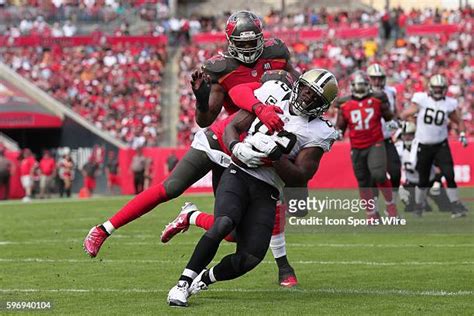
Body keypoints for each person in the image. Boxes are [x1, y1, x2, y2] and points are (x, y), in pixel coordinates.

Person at [85, 9, 300, 285]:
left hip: (245, 152)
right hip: (219, 140)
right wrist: (201, 98)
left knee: (233, 231)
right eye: (242, 43)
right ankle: (103, 229)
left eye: (252, 42)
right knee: (171, 187)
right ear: (230, 41)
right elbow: (205, 119)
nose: (248, 49)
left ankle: (192, 216)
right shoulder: (221, 68)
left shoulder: (277, 53)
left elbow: (296, 84)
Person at [167, 69, 339, 307]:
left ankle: (204, 278)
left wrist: (275, 156)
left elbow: (299, 177)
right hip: (239, 173)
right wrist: (236, 146)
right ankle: (182, 284)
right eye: (308, 90)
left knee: (251, 257)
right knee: (224, 223)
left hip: (268, 189)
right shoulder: (274, 95)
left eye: (315, 97)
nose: (308, 98)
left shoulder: (320, 130)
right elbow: (232, 127)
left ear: (323, 105)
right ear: (299, 85)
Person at [400, 74, 468, 217]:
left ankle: (455, 205)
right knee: (423, 179)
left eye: (440, 88)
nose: (438, 91)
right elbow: (406, 113)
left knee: (449, 174)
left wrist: (462, 134)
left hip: (441, 145)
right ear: (430, 88)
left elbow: (459, 120)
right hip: (423, 145)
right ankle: (419, 206)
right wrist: (408, 120)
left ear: (445, 89)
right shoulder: (422, 99)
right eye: (436, 88)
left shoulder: (448, 103)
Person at [336, 71, 398, 220]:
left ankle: (391, 207)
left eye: (363, 86)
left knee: (379, 174)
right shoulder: (344, 104)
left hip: (375, 143)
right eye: (358, 86)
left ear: (368, 86)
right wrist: (335, 134)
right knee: (363, 181)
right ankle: (371, 214)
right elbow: (340, 128)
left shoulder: (377, 99)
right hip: (356, 146)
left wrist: (393, 127)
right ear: (352, 87)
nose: (360, 89)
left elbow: (389, 118)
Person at [396, 122, 452, 213]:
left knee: (445, 207)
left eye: (410, 135)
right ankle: (423, 205)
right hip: (412, 183)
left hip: (430, 181)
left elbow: (439, 165)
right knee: (406, 199)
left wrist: (437, 180)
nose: (407, 137)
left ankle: (429, 202)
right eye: (405, 135)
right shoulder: (398, 148)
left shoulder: (423, 146)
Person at [367, 63, 401, 201]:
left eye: (379, 78)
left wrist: (397, 129)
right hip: (370, 140)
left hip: (386, 138)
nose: (377, 81)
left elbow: (394, 113)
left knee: (395, 171)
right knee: (372, 176)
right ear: (369, 79)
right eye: (374, 78)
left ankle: (391, 200)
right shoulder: (363, 93)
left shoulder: (391, 91)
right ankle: (373, 207)